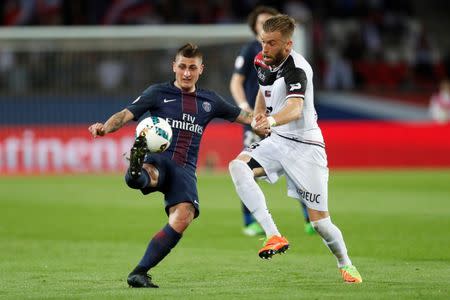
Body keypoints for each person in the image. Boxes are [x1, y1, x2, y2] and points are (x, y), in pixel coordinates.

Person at [88, 43, 254, 288]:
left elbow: (244, 117)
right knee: (150, 174)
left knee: (184, 216)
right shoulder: (157, 93)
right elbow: (125, 115)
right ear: (174, 67)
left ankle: (139, 272)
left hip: (185, 169)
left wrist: (269, 121)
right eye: (182, 67)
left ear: (201, 70)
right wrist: (105, 127)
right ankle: (136, 171)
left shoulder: (210, 100)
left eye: (192, 68)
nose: (187, 73)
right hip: (159, 159)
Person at [228, 15, 362, 283]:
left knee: (320, 224)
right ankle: (272, 234)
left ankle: (345, 263)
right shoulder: (260, 60)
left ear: (288, 45)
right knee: (237, 167)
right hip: (277, 141)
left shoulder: (297, 68)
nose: (265, 48)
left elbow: (295, 108)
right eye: (263, 42)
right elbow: (261, 91)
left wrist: (272, 119)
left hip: (306, 147)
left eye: (272, 43)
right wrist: (258, 118)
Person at [230, 6, 314, 237]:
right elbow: (237, 82)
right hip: (257, 119)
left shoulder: (290, 61)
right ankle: (251, 221)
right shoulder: (250, 51)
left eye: (269, 23)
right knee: (244, 167)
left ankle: (311, 217)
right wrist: (246, 109)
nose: (264, 28)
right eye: (261, 24)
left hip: (281, 118)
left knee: (296, 167)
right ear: (255, 28)